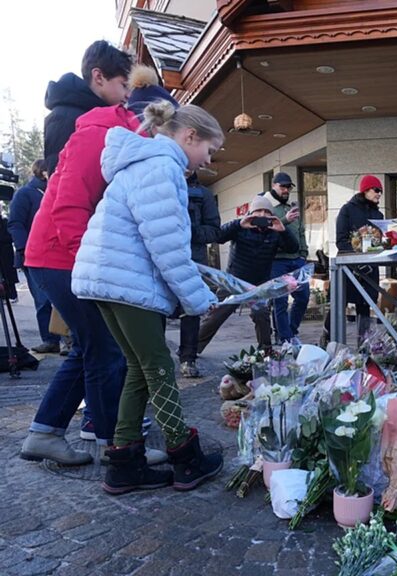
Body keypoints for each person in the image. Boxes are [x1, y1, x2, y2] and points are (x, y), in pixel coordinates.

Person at [72, 101, 223, 494]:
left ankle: (124, 464)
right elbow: (168, 245)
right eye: (209, 151)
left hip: (107, 279)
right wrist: (198, 298)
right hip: (127, 281)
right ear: (190, 136)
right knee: (158, 366)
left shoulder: (142, 163)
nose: (208, 161)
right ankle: (185, 457)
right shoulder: (162, 167)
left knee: (139, 368)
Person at [18, 102, 142, 465]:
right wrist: (90, 264)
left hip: (59, 257)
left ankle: (44, 433)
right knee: (106, 349)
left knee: (90, 348)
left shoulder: (115, 137)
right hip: (60, 258)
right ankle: (115, 447)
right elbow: (70, 206)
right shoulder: (98, 136)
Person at [197, 195, 299, 354]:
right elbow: (219, 236)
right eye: (258, 211)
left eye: (267, 212)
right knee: (216, 315)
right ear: (251, 213)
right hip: (233, 281)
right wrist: (238, 224)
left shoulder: (275, 231)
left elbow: (293, 248)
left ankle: (266, 351)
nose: (262, 215)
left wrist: (283, 230)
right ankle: (193, 349)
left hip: (258, 284)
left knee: (261, 314)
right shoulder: (240, 227)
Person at [44, 40, 132, 174]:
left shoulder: (105, 116)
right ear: (98, 77)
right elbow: (60, 179)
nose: (128, 95)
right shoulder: (64, 117)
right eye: (124, 85)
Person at [9, 160, 60, 353]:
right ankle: (50, 340)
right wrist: (24, 248)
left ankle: (69, 339)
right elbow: (15, 223)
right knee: (43, 300)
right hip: (33, 255)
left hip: (57, 252)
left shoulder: (56, 190)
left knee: (62, 299)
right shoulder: (25, 194)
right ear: (43, 172)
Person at [177, 172, 219, 378]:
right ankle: (153, 362)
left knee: (191, 310)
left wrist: (190, 230)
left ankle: (188, 358)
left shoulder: (203, 194)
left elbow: (214, 231)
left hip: (193, 260)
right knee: (155, 310)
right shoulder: (157, 184)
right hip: (158, 257)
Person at [262, 173, 309, 346]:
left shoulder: (291, 207)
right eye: (282, 186)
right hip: (276, 261)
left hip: (297, 260)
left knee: (303, 297)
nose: (286, 190)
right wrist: (285, 220)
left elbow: (301, 231)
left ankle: (290, 331)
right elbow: (264, 230)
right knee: (280, 301)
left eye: (289, 187)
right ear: (273, 185)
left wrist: (303, 254)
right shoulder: (266, 206)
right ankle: (285, 338)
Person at [336, 175, 384, 342]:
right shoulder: (347, 210)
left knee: (365, 304)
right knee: (339, 303)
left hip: (370, 267)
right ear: (365, 190)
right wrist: (356, 260)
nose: (379, 194)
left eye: (381, 191)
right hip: (349, 266)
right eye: (376, 190)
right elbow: (341, 240)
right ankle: (330, 337)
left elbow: (380, 242)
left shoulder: (378, 214)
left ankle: (363, 344)